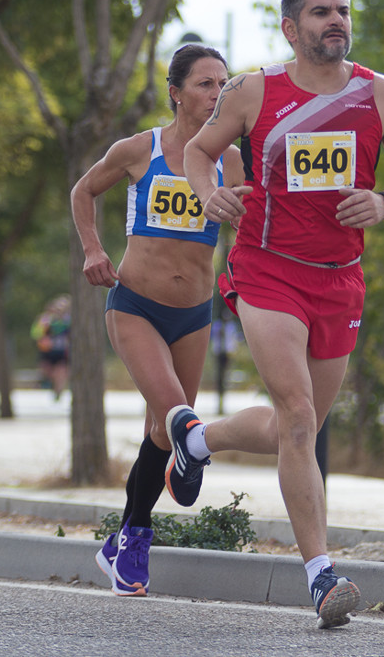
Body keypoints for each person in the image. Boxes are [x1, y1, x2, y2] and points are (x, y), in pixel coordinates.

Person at [171, 0, 384, 628]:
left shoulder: (381, 94)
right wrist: (209, 195)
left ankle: (197, 441)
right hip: (266, 271)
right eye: (319, 12)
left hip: (339, 277)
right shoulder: (253, 92)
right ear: (292, 28)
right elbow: (199, 153)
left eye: (341, 9)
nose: (335, 20)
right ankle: (321, 575)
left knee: (303, 425)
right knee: (295, 414)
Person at [70, 43, 256, 597]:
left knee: (161, 430)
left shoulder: (230, 159)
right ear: (175, 92)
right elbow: (83, 190)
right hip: (135, 306)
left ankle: (123, 537)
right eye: (204, 83)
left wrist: (241, 282)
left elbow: (245, 227)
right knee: (178, 417)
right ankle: (141, 535)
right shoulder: (137, 150)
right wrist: (92, 250)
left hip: (194, 315)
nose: (216, 93)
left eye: (223, 83)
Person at [31, 294, 71, 401]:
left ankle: (58, 392)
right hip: (48, 350)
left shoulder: (69, 320)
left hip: (62, 350)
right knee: (46, 371)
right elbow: (35, 333)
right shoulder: (45, 319)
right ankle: (50, 384)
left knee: (60, 372)